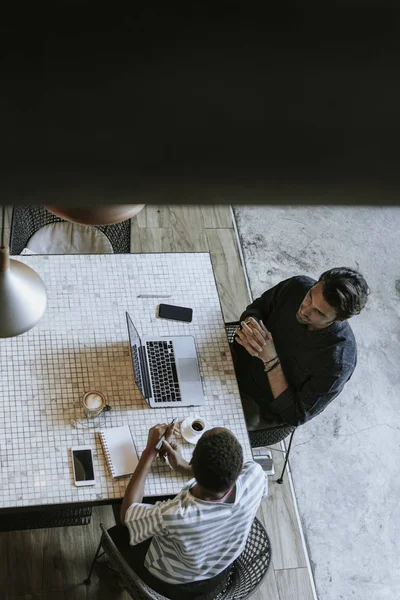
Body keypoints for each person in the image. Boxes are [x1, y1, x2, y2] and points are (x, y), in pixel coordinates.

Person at [109, 423, 268, 600]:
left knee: (119, 528)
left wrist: (149, 452)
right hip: (217, 575)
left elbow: (127, 515)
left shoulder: (177, 515)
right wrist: (185, 467)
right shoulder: (256, 476)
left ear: (196, 464)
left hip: (170, 583)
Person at [232, 267, 369, 429]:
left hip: (259, 405)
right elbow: (259, 307)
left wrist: (271, 360)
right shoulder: (297, 286)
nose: (305, 309)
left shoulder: (337, 363)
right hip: (234, 359)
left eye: (318, 312)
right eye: (310, 296)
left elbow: (295, 414)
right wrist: (251, 324)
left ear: (338, 319)